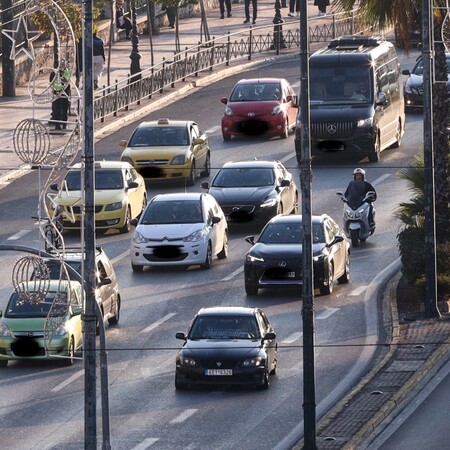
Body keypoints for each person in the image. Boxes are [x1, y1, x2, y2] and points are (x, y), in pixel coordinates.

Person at [49, 59, 71, 131]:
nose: (62, 66)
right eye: (61, 65)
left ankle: (64, 125)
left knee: (64, 109)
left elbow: (66, 80)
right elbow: (51, 82)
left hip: (64, 93)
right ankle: (57, 125)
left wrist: (61, 77)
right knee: (56, 109)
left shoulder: (66, 72)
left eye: (63, 65)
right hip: (56, 93)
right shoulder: (53, 73)